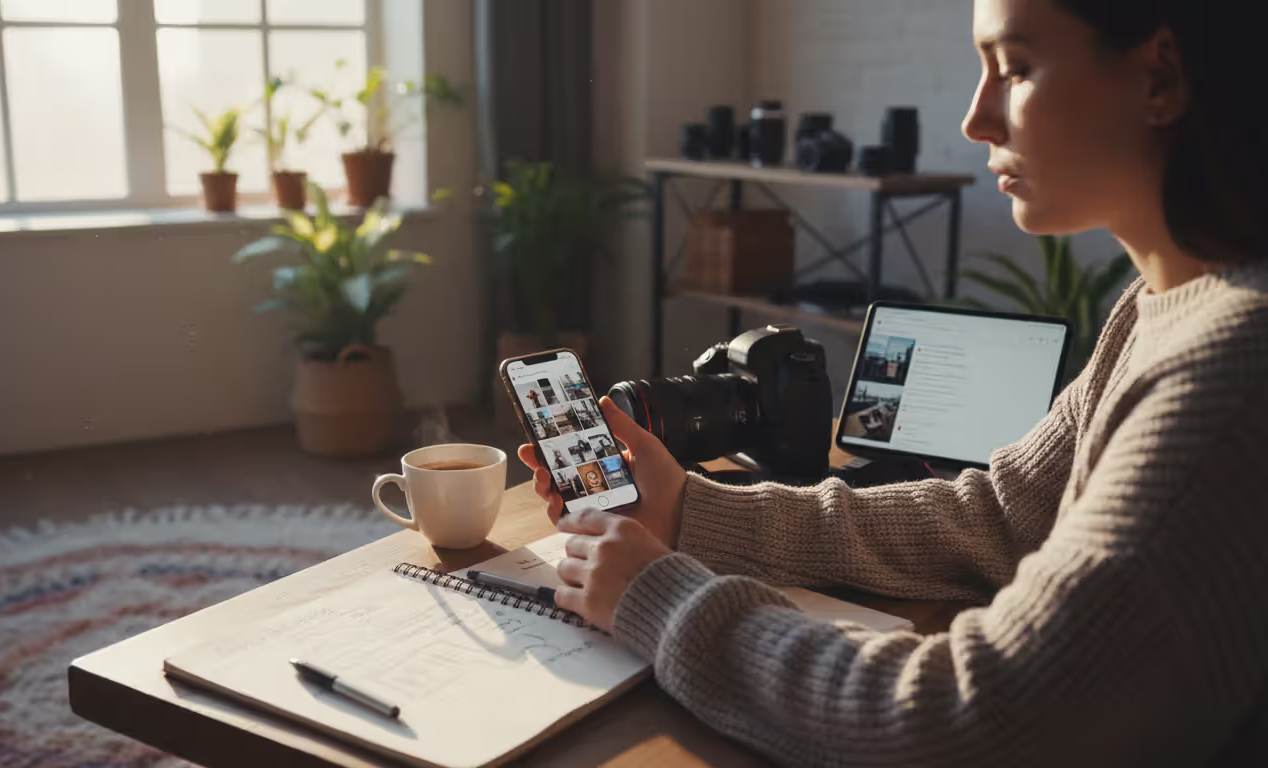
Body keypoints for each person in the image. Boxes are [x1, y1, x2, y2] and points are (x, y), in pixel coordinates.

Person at [519, 0, 1268, 764]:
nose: (977, 119)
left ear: (1160, 78)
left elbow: (964, 720)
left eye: (1014, 69)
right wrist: (688, 510)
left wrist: (661, 598)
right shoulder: (1161, 306)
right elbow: (1003, 516)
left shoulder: (1231, 373)